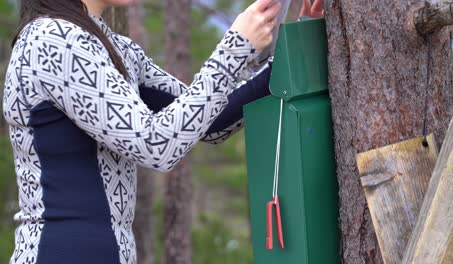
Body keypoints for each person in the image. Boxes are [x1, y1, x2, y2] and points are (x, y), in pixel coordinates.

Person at [2, 0, 323, 263]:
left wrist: (290, 48)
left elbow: (210, 120)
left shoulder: (110, 46)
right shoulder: (52, 39)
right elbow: (155, 145)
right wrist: (234, 48)